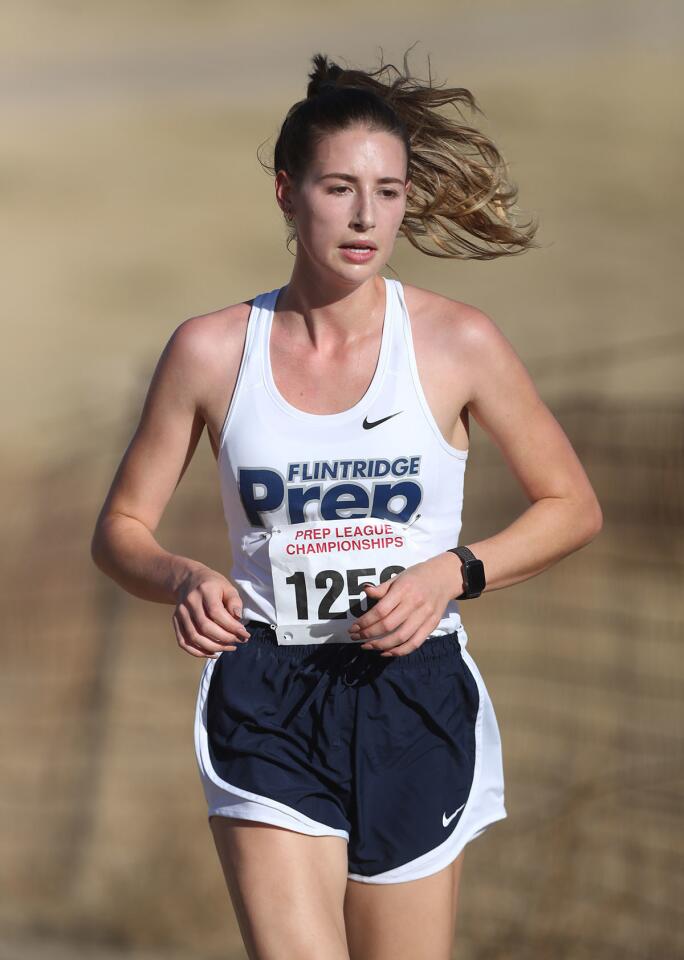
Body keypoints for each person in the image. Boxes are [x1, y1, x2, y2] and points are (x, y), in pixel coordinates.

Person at [91, 50, 603, 960]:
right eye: (339, 188)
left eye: (390, 192)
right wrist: (180, 576)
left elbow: (570, 505)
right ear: (288, 194)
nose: (367, 216)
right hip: (267, 693)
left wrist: (455, 572)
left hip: (414, 696)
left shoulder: (458, 342)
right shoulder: (211, 351)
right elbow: (120, 531)